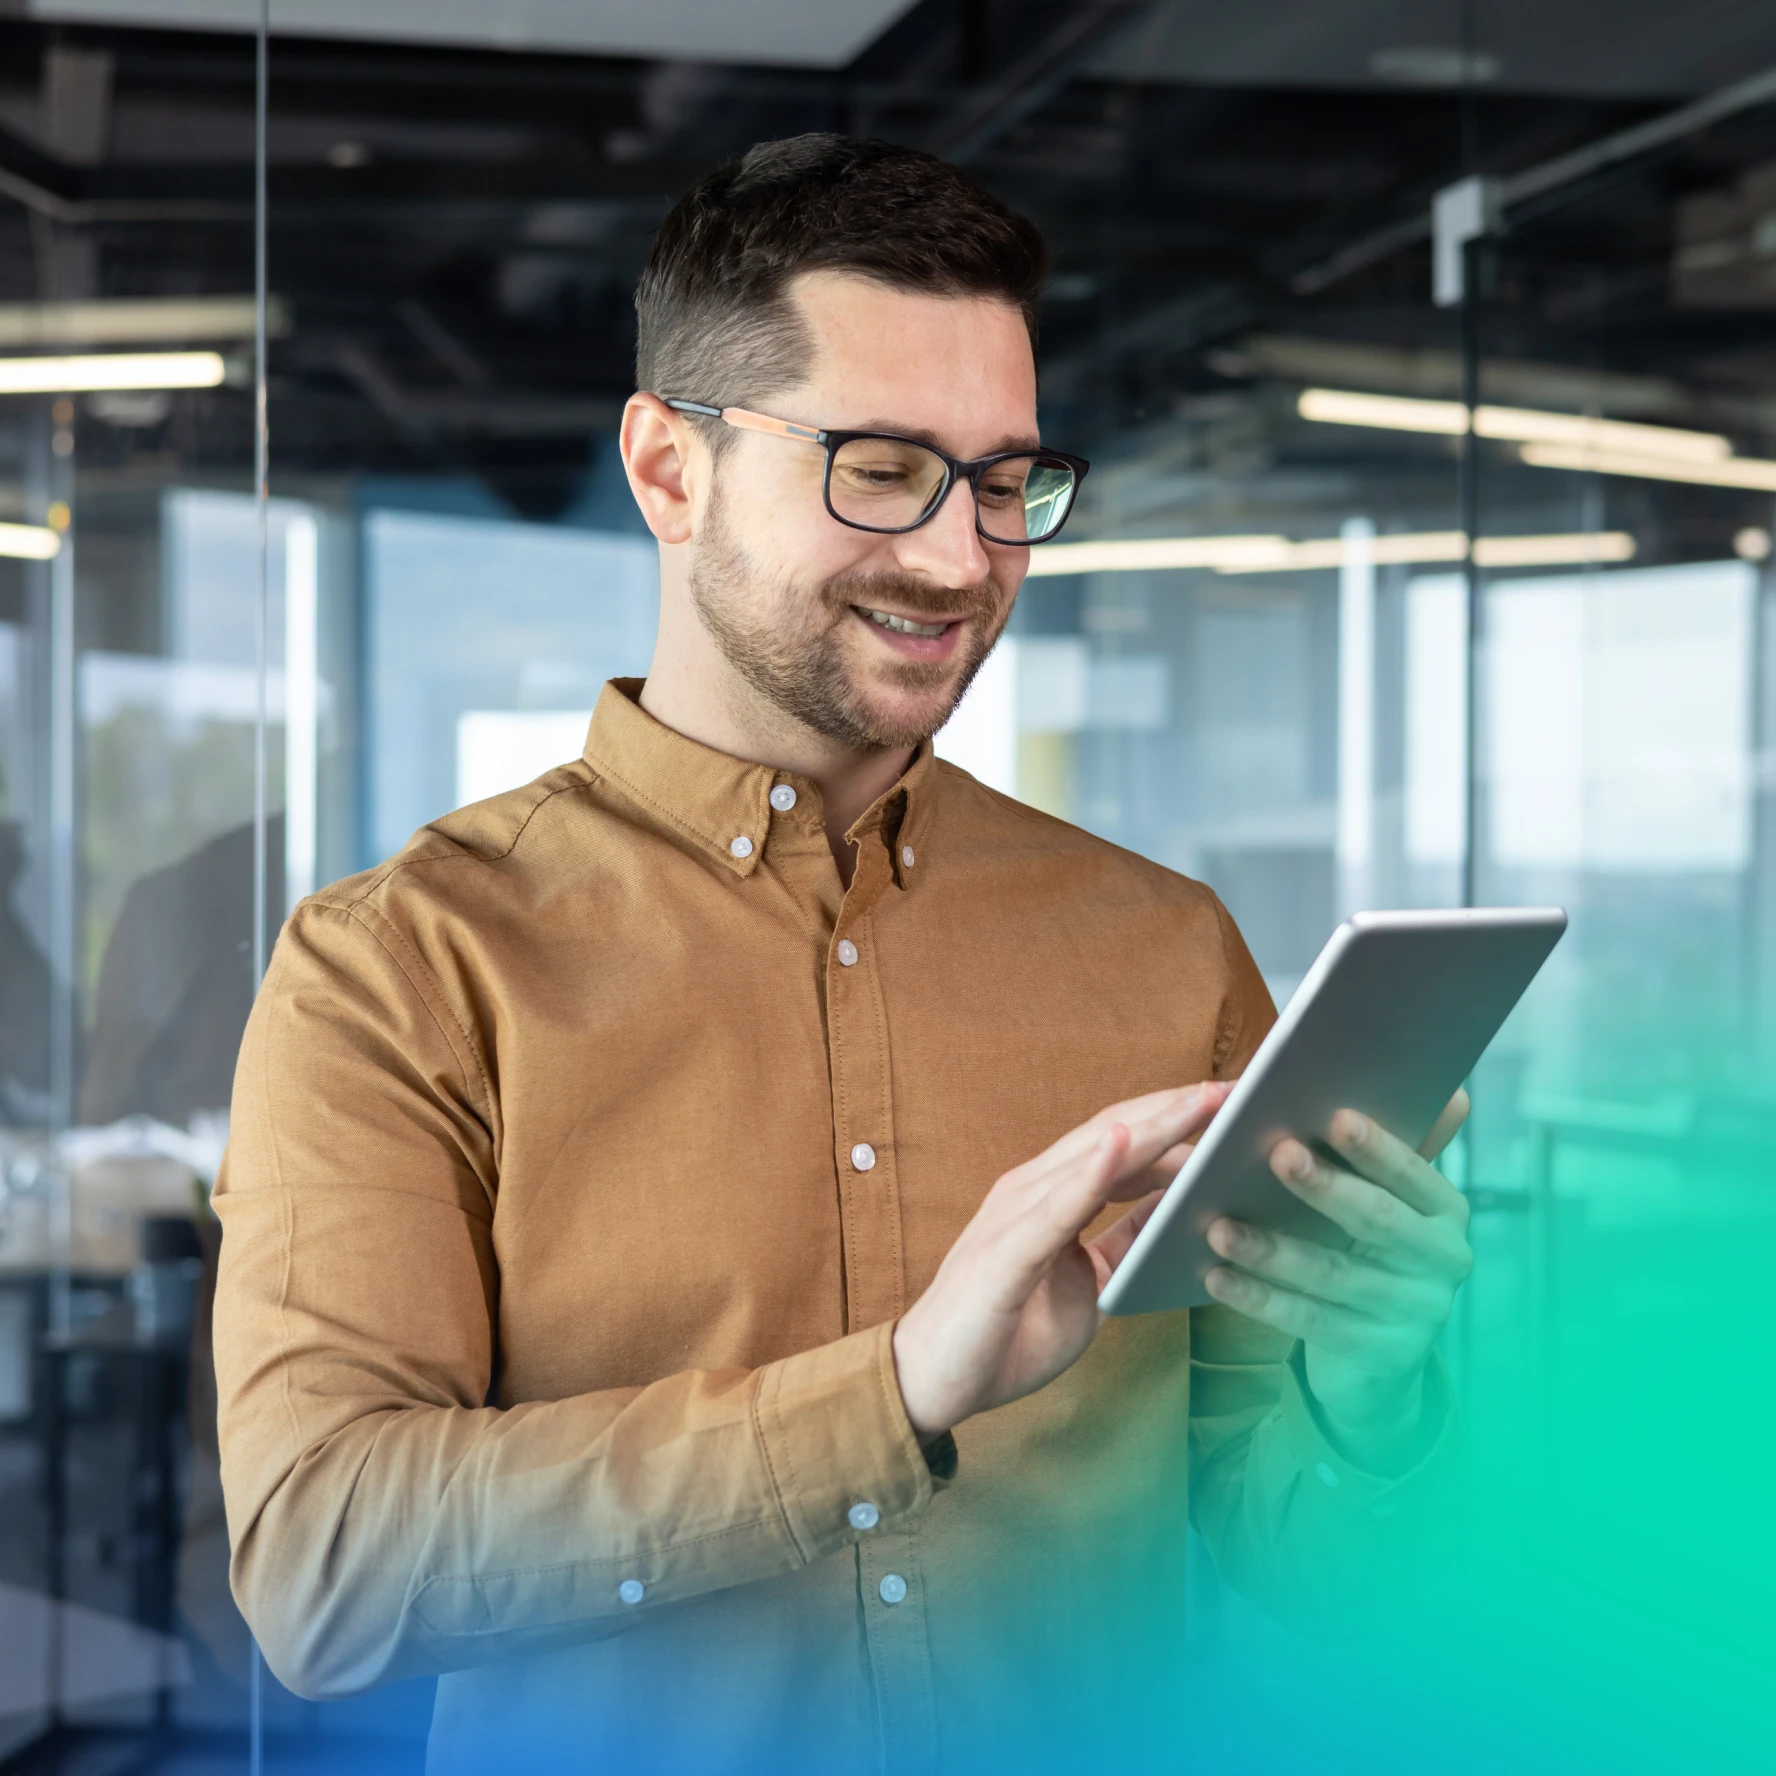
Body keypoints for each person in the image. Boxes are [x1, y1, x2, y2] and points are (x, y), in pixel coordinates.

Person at [212, 136, 1472, 1775]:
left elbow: (1307, 1568)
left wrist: (1371, 1402)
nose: (963, 559)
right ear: (672, 471)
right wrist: (888, 1395)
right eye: (880, 467)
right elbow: (324, 1563)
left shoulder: (1169, 950)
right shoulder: (402, 970)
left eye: (1007, 481)